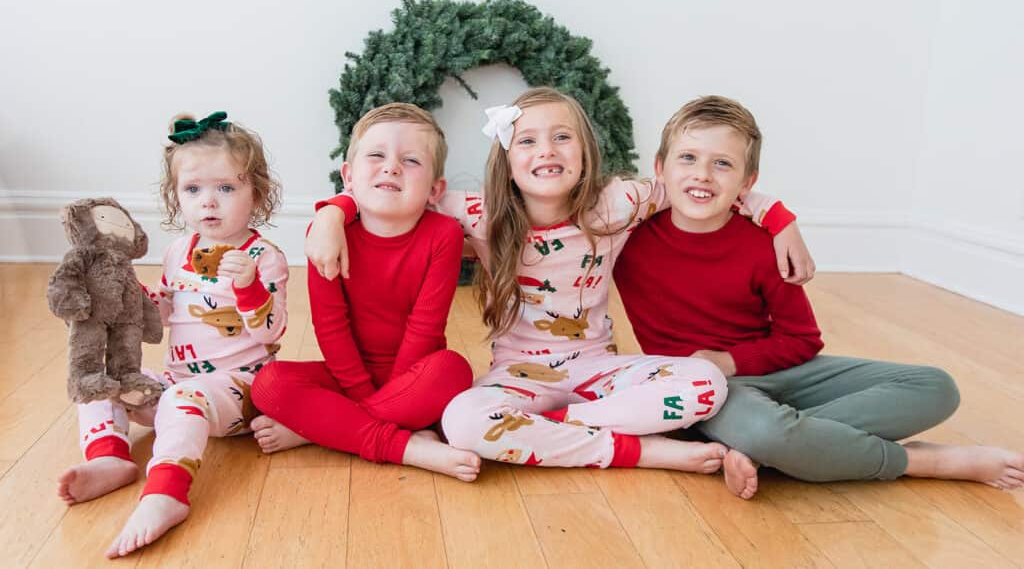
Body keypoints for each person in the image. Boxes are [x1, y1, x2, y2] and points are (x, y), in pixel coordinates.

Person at [307, 87, 813, 472]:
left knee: (706, 382)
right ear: (508, 160)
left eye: (561, 137)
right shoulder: (479, 214)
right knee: (461, 420)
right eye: (527, 140)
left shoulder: (619, 202)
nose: (545, 150)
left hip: (598, 371)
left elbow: (699, 182)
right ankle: (636, 451)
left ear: (585, 151)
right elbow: (395, 191)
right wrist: (334, 210)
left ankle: (560, 429)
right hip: (519, 375)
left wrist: (780, 220)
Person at [614, 95, 1024, 498]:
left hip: (780, 373)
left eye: (722, 163)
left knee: (937, 387)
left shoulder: (765, 245)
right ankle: (920, 462)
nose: (703, 174)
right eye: (687, 158)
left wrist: (730, 360)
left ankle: (771, 450)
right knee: (765, 430)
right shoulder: (625, 239)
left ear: (747, 182)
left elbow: (803, 340)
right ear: (659, 169)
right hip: (705, 387)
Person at [57, 112, 289, 556]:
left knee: (186, 400)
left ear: (255, 193)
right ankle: (110, 457)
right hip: (179, 383)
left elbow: (271, 330)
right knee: (103, 379)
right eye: (193, 189)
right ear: (176, 196)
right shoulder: (178, 251)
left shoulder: (263, 256)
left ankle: (166, 494)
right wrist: (133, 299)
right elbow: (163, 314)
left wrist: (248, 285)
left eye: (226, 188)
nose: (209, 202)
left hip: (239, 390)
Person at [250, 103, 481, 481]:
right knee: (269, 385)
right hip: (347, 374)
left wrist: (356, 408)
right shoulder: (327, 234)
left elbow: (426, 326)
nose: (391, 167)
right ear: (349, 176)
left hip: (415, 375)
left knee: (453, 369)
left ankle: (322, 430)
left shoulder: (444, 235)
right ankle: (405, 446)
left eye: (411, 161)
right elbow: (329, 325)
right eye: (376, 155)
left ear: (435, 189)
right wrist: (361, 391)